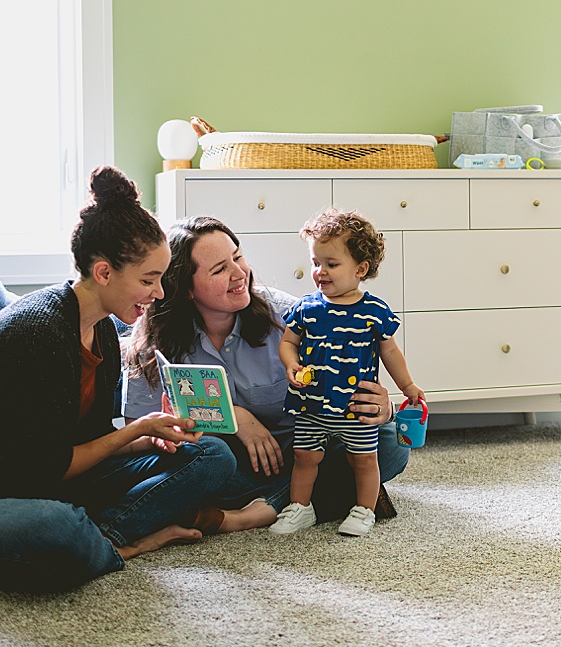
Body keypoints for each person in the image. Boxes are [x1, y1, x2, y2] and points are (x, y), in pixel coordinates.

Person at [0, 168, 261, 594]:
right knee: (57, 527)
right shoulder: (37, 332)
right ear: (103, 273)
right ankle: (120, 543)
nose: (158, 294)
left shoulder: (101, 327)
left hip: (53, 485)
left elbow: (93, 441)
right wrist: (133, 431)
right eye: (148, 280)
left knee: (211, 453)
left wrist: (149, 433)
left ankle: (102, 536)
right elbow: (48, 465)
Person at [121, 216, 406, 529]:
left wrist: (383, 407)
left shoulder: (286, 314)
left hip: (305, 450)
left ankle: (260, 511)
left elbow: (358, 368)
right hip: (229, 466)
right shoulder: (155, 342)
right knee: (209, 458)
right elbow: (137, 434)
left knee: (391, 445)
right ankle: (303, 501)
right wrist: (231, 418)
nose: (239, 272)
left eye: (238, 256)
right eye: (219, 269)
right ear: (186, 287)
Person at [273, 208, 423, 538]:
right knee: (304, 457)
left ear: (361, 268)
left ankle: (365, 510)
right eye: (315, 262)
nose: (320, 272)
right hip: (310, 404)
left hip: (355, 407)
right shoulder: (307, 307)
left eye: (331, 264)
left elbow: (390, 351)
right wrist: (290, 364)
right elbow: (288, 342)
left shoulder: (374, 311)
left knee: (364, 461)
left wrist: (408, 385)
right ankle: (301, 507)